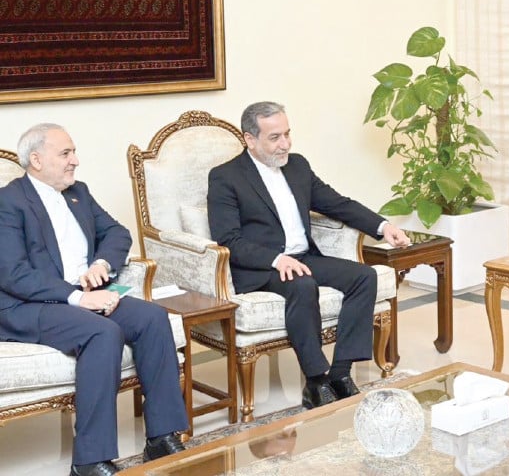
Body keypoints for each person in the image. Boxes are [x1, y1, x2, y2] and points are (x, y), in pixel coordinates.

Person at [0, 124, 189, 476]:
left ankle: (162, 436)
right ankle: (89, 460)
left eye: (74, 152)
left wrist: (100, 265)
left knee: (152, 318)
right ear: (36, 160)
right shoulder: (8, 202)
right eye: (66, 154)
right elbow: (12, 274)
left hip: (84, 293)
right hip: (28, 306)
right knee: (102, 332)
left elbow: (117, 233)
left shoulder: (78, 193)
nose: (76, 161)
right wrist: (75, 297)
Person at [207, 101, 411, 409]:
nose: (285, 144)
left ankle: (340, 373)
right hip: (262, 267)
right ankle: (315, 380)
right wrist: (276, 260)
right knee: (303, 285)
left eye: (287, 134)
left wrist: (383, 227)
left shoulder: (297, 165)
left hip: (303, 257)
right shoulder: (226, 177)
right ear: (250, 139)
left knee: (364, 276)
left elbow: (337, 203)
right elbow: (228, 239)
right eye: (275, 137)